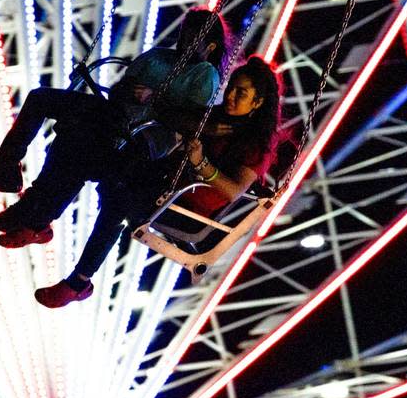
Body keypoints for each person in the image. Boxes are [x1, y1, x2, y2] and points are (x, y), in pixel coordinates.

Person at [0, 8, 232, 249]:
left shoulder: (205, 74)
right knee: (41, 98)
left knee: (77, 149)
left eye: (194, 38)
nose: (185, 42)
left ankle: (33, 215)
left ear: (209, 46)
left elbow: (192, 122)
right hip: (114, 115)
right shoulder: (157, 57)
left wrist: (153, 99)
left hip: (146, 138)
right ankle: (7, 168)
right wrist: (129, 92)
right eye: (184, 34)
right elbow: (118, 90)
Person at [33, 55, 284, 308]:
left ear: (258, 102)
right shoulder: (214, 118)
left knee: (119, 202)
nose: (230, 96)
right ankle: (40, 218)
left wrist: (200, 162)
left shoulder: (255, 146)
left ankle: (77, 282)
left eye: (241, 93)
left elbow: (233, 191)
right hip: (164, 184)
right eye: (231, 88)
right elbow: (173, 117)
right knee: (97, 155)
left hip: (186, 211)